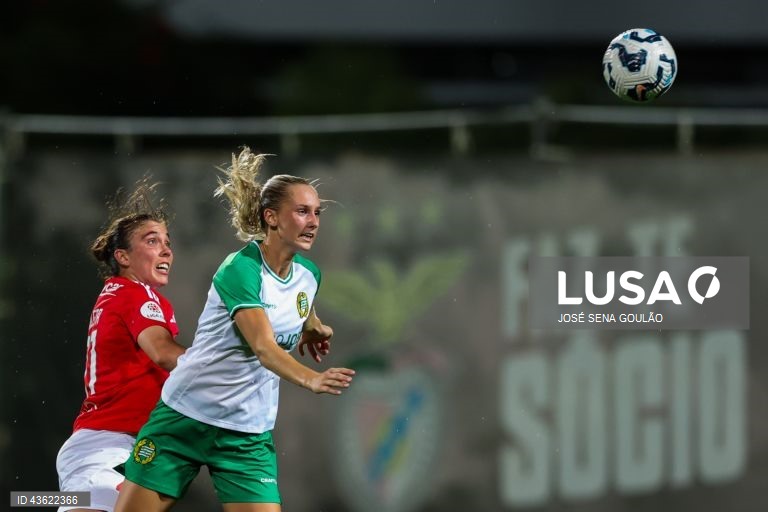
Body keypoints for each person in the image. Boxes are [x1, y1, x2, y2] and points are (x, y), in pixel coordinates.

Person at [115, 148, 355, 512]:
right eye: (302, 211)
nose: (314, 221)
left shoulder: (309, 275)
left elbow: (299, 308)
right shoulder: (240, 270)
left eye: (317, 212)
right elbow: (263, 347)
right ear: (271, 217)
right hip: (186, 418)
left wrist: (314, 329)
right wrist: (312, 379)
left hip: (247, 434)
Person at [56, 178, 187, 512]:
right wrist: (230, 364)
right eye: (152, 240)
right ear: (122, 256)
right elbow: (164, 353)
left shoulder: (115, 294)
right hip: (106, 448)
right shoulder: (136, 294)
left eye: (167, 242)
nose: (166, 249)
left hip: (105, 448)